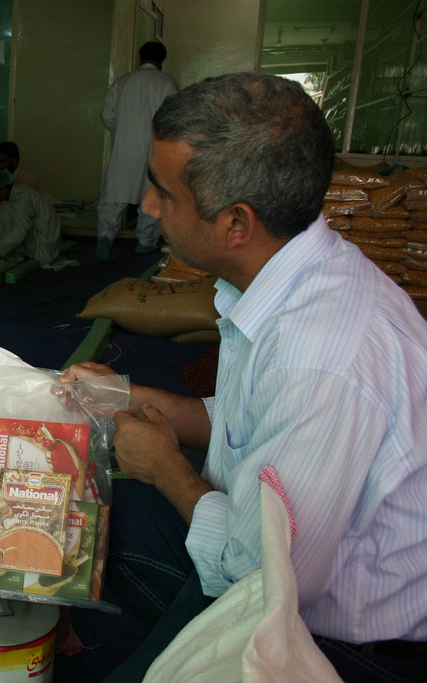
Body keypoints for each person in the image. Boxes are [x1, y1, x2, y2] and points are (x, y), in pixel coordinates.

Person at [64, 72, 427, 682]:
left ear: (236, 223)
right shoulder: (282, 282)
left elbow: (258, 575)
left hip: (328, 637)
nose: (148, 207)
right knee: (96, 510)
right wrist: (125, 395)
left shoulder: (320, 358)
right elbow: (240, 423)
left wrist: (166, 466)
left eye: (164, 195)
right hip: (277, 567)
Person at [96, 41, 177, 261]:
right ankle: (145, 241)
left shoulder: (122, 82)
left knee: (113, 196)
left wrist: (121, 130)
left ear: (140, 58)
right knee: (151, 196)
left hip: (124, 147)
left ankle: (104, 237)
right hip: (154, 149)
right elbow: (173, 119)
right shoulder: (167, 83)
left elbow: (106, 115)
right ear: (161, 61)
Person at [0, 169, 60, 268]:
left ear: (3, 189)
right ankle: (2, 251)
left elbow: (17, 235)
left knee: (3, 208)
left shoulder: (22, 200)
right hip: (43, 244)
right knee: (3, 207)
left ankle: (10, 257)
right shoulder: (19, 192)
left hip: (41, 252)